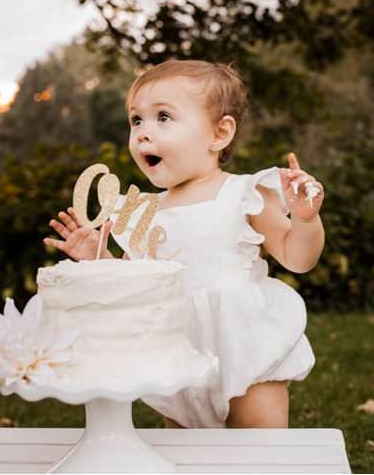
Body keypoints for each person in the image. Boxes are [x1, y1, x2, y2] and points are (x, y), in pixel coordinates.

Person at [43, 59, 325, 428]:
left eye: (163, 117)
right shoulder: (141, 211)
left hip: (244, 347)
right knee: (184, 452)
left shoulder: (243, 194)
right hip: (176, 353)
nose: (143, 132)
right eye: (136, 120)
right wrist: (96, 259)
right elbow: (136, 286)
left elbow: (298, 258)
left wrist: (304, 220)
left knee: (260, 450)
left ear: (219, 134)